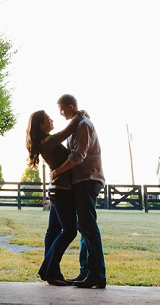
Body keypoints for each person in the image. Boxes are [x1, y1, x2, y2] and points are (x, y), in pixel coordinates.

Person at [25, 108, 86, 286]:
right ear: (42, 125)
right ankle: (48, 269)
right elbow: (67, 131)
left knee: (52, 232)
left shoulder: (44, 141)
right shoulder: (48, 141)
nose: (52, 120)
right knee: (70, 231)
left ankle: (53, 273)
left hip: (56, 190)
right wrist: (80, 114)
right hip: (62, 190)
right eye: (49, 119)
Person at [51, 94, 106, 289]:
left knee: (89, 227)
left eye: (62, 108)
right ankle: (85, 273)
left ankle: (97, 275)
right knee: (84, 227)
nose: (60, 112)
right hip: (81, 181)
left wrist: (57, 171)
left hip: (88, 179)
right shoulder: (77, 124)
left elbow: (78, 156)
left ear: (71, 106)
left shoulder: (83, 125)